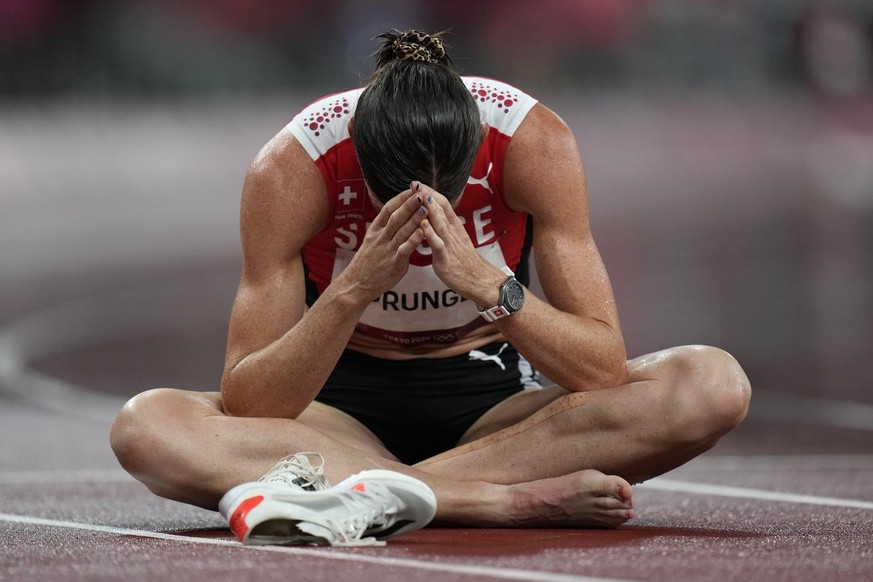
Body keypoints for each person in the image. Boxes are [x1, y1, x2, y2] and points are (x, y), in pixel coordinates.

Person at [110, 29, 751, 545]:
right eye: (396, 198)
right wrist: (352, 289)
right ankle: (487, 502)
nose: (421, 220)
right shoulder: (293, 167)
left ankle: (376, 493)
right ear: (359, 155)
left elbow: (601, 367)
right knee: (146, 428)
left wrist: (493, 287)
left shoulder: (532, 142)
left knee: (712, 385)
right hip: (331, 414)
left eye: (446, 195)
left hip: (494, 409)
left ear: (475, 150)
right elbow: (251, 400)